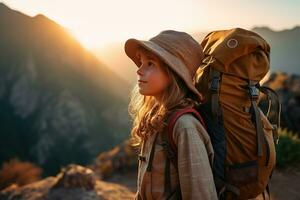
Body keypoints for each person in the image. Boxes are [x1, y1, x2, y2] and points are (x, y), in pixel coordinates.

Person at [124, 30, 218, 200]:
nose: (139, 70)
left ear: (173, 73)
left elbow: (200, 194)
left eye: (150, 64)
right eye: (141, 62)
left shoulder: (185, 126)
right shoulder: (155, 118)